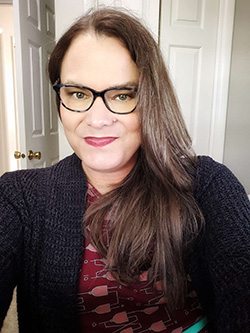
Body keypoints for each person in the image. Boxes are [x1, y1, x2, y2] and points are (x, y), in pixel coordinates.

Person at [0, 7, 249, 333]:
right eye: (77, 93)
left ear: (152, 100)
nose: (97, 119)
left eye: (122, 95)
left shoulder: (208, 185)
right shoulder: (20, 198)